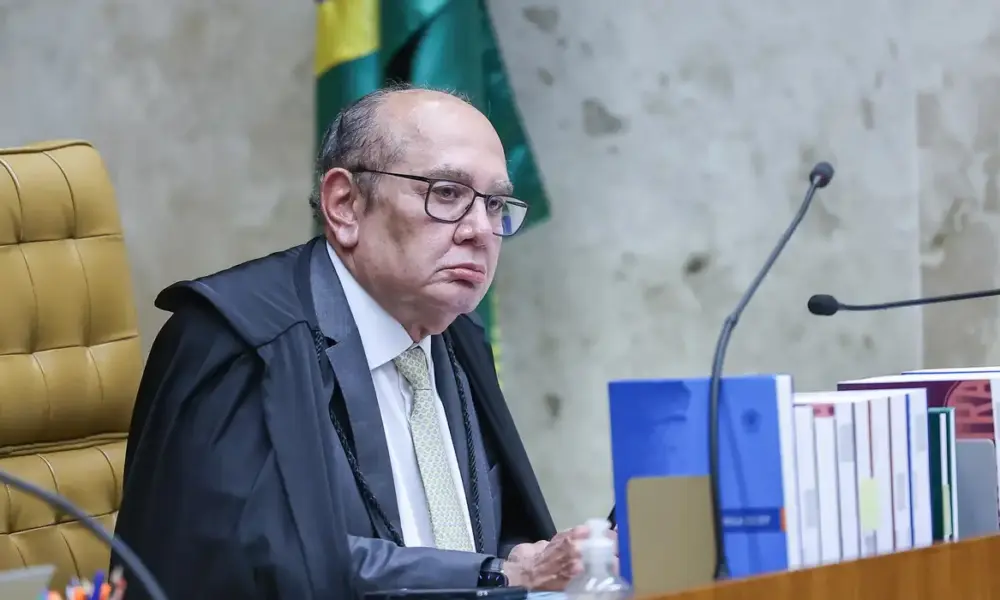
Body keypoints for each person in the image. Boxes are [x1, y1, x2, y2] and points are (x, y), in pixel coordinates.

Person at [114, 84, 615, 599]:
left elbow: (491, 537)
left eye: (494, 204)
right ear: (345, 204)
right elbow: (254, 565)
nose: (481, 231)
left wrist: (534, 560)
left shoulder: (456, 339)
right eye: (447, 193)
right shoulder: (239, 340)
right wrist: (496, 575)